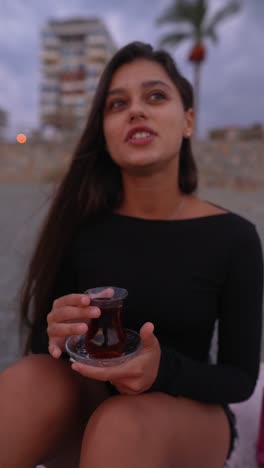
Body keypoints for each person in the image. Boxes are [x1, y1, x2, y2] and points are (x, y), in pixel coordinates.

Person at [0, 41, 263, 468]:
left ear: (188, 121)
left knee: (123, 424)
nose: (136, 111)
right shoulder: (81, 228)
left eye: (155, 96)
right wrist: (58, 332)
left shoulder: (234, 238)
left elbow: (239, 380)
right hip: (87, 403)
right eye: (117, 104)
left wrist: (161, 370)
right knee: (29, 379)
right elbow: (49, 356)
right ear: (104, 131)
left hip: (188, 415)